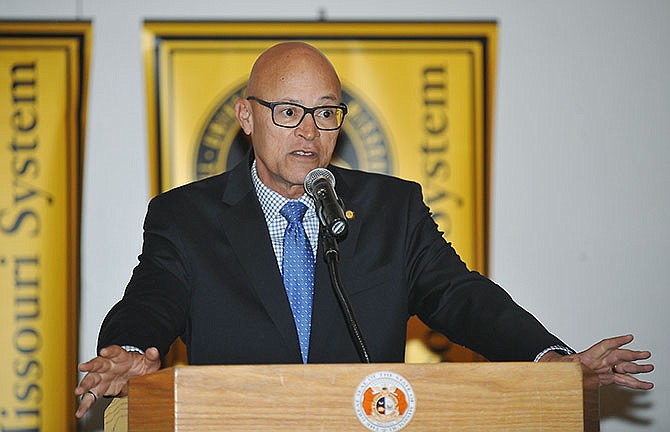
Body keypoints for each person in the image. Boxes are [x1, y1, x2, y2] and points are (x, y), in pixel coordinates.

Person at [75, 41, 653, 419]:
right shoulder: (187, 217)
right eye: (288, 111)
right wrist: (129, 348)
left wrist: (545, 356)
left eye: (326, 113)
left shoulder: (390, 210)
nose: (309, 131)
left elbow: (460, 296)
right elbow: (153, 295)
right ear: (247, 117)